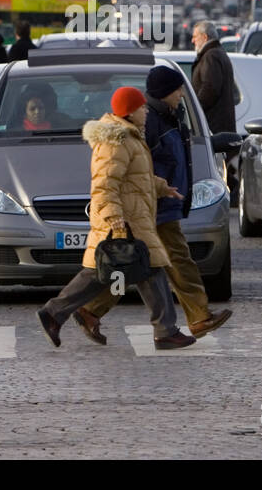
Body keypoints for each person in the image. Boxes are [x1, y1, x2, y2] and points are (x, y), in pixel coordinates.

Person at [72, 67, 232, 345]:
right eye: (178, 89)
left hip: (159, 203)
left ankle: (90, 310)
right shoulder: (150, 122)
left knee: (131, 265)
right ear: (166, 92)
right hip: (152, 207)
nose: (182, 94)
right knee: (177, 260)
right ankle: (197, 317)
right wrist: (155, 193)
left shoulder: (169, 116)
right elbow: (136, 169)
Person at [36, 86, 196, 351]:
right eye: (142, 107)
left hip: (133, 216)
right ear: (130, 112)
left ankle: (55, 313)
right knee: (144, 269)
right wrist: (114, 219)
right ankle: (165, 331)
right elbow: (104, 184)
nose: (146, 111)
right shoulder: (115, 141)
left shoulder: (130, 137)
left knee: (108, 274)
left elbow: (135, 178)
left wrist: (161, 187)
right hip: (124, 220)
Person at [190, 20, 236, 135]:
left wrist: (195, 110)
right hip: (219, 125)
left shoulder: (211, 56)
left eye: (195, 36)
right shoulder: (217, 53)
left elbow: (210, 88)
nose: (192, 40)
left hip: (214, 126)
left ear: (205, 37)